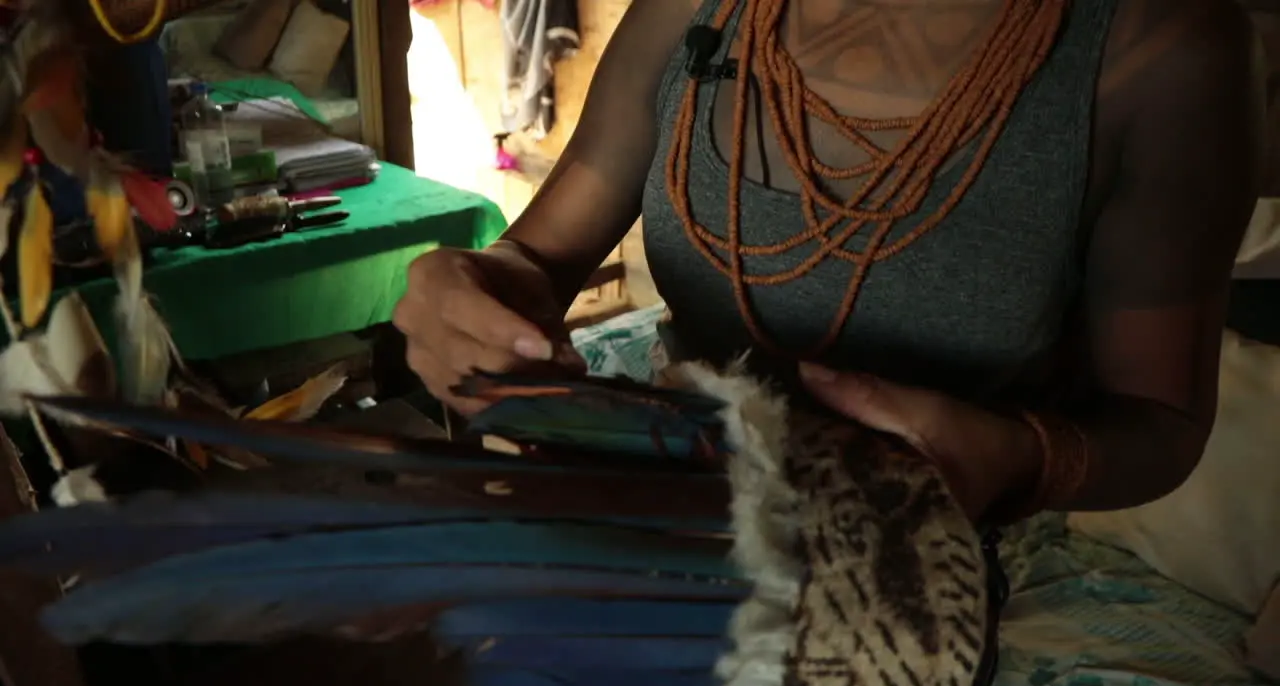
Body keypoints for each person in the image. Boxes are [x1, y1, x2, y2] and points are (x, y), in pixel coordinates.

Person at [395, 0, 1262, 523]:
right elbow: (539, 253)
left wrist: (1019, 460)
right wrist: (481, 284)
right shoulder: (702, 10)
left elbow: (1161, 422)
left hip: (934, 598)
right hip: (676, 554)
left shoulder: (1159, 48)